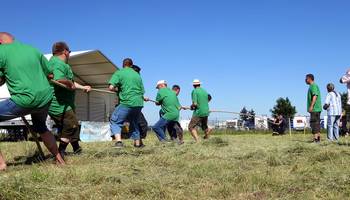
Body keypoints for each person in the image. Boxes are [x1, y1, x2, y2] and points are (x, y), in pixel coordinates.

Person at [0, 32, 65, 170]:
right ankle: (59, 159)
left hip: (24, 99)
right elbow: (50, 73)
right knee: (41, 126)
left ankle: (1, 164)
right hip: (45, 98)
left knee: (39, 123)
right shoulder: (33, 49)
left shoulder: (1, 51)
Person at [48, 42, 91, 155]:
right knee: (71, 125)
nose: (69, 54)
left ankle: (76, 149)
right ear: (65, 51)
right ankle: (60, 153)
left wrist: (83, 87)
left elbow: (70, 83)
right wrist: (68, 83)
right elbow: (59, 79)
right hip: (59, 104)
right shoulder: (58, 63)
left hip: (66, 103)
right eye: (69, 52)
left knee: (73, 126)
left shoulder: (60, 64)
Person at [108, 58, 145, 148]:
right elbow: (142, 91)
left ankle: (119, 142)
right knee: (134, 122)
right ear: (131, 65)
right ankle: (137, 144)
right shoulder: (137, 75)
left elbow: (111, 87)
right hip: (139, 103)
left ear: (123, 65)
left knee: (115, 120)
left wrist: (118, 89)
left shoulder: (119, 73)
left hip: (127, 102)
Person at [306, 74, 322, 143]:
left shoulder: (313, 86)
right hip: (317, 108)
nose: (305, 80)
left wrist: (311, 106)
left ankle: (316, 139)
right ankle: (318, 139)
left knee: (314, 123)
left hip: (315, 109)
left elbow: (315, 96)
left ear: (309, 79)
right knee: (317, 124)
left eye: (306, 79)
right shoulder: (314, 86)